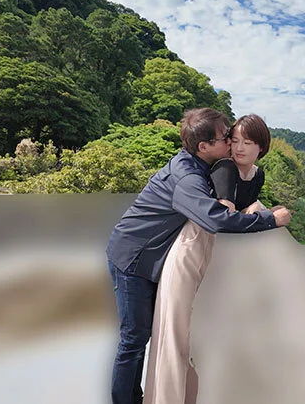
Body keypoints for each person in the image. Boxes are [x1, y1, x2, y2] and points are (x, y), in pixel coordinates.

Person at [106, 108, 292, 404]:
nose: (231, 143)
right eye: (226, 138)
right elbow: (215, 219)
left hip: (154, 254)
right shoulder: (188, 178)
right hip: (133, 257)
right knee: (135, 338)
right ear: (204, 146)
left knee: (151, 333)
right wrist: (270, 219)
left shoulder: (205, 164)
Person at [142, 114, 274, 404]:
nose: (238, 147)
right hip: (194, 248)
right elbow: (224, 218)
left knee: (203, 338)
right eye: (234, 140)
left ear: (261, 147)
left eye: (247, 142)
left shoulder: (257, 174)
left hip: (219, 256)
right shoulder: (225, 168)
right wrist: (267, 218)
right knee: (176, 333)